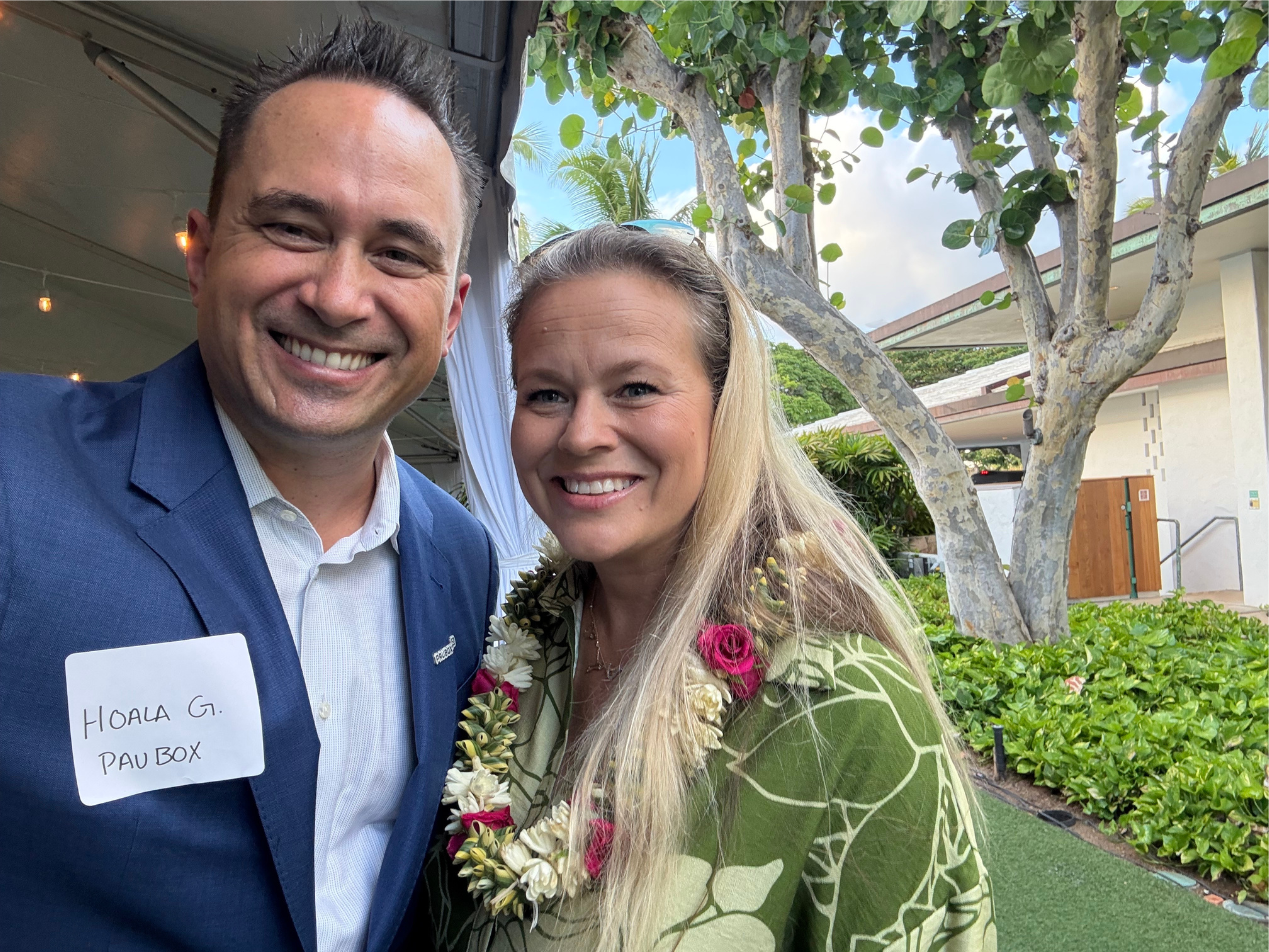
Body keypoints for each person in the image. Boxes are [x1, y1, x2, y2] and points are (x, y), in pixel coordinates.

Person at [0, 20, 497, 952]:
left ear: (452, 309)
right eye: (292, 228)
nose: (340, 296)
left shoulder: (460, 559)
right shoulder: (15, 472)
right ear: (200, 250)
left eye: (398, 252)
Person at [426, 223, 995, 952]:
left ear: (725, 408)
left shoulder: (841, 706)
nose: (581, 435)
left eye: (635, 388)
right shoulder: (519, 646)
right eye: (545, 394)